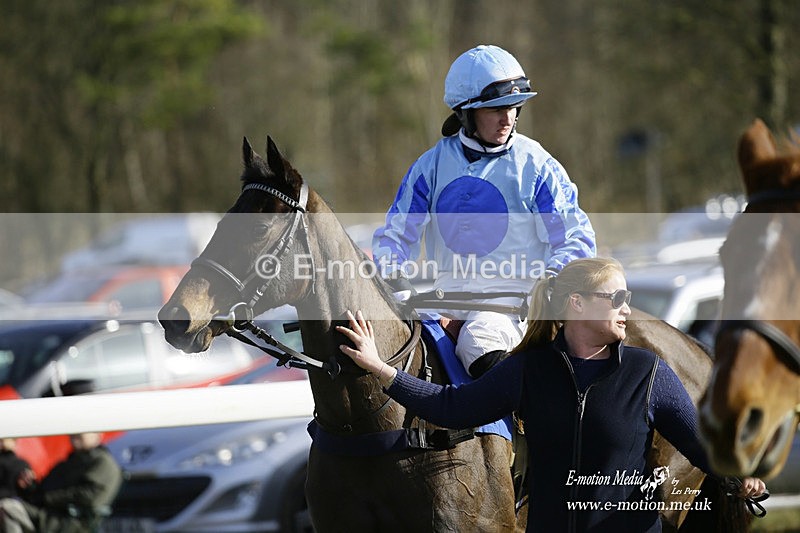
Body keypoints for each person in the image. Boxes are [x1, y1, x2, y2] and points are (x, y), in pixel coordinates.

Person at [337, 257, 766, 532]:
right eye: (617, 297)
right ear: (576, 304)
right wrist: (381, 367)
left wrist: (739, 474)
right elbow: (451, 407)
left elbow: (701, 446)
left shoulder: (648, 372)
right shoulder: (527, 370)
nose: (627, 309)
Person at [372, 44, 596, 378]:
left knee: (477, 341)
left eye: (514, 107)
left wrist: (550, 284)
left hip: (513, 308)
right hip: (443, 302)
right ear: (466, 113)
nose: (509, 118)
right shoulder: (430, 166)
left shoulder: (537, 165)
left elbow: (576, 239)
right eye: (496, 109)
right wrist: (399, 285)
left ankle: (529, 410)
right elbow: (394, 237)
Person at [0, 432, 122, 533]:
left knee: (8, 507)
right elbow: (43, 490)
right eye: (74, 431)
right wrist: (29, 485)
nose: (74, 434)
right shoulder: (70, 461)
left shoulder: (102, 463)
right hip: (50, 514)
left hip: (69, 521)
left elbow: (90, 497)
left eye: (83, 431)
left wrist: (48, 498)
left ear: (98, 436)